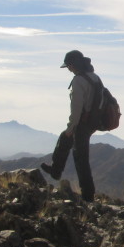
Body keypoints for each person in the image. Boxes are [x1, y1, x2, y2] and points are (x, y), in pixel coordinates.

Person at [40, 50, 100, 202]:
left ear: (74, 65)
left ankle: (87, 195)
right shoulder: (95, 78)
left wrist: (71, 127)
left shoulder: (79, 81)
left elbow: (76, 107)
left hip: (82, 123)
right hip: (92, 122)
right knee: (66, 140)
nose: (68, 69)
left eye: (69, 66)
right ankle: (55, 170)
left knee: (80, 158)